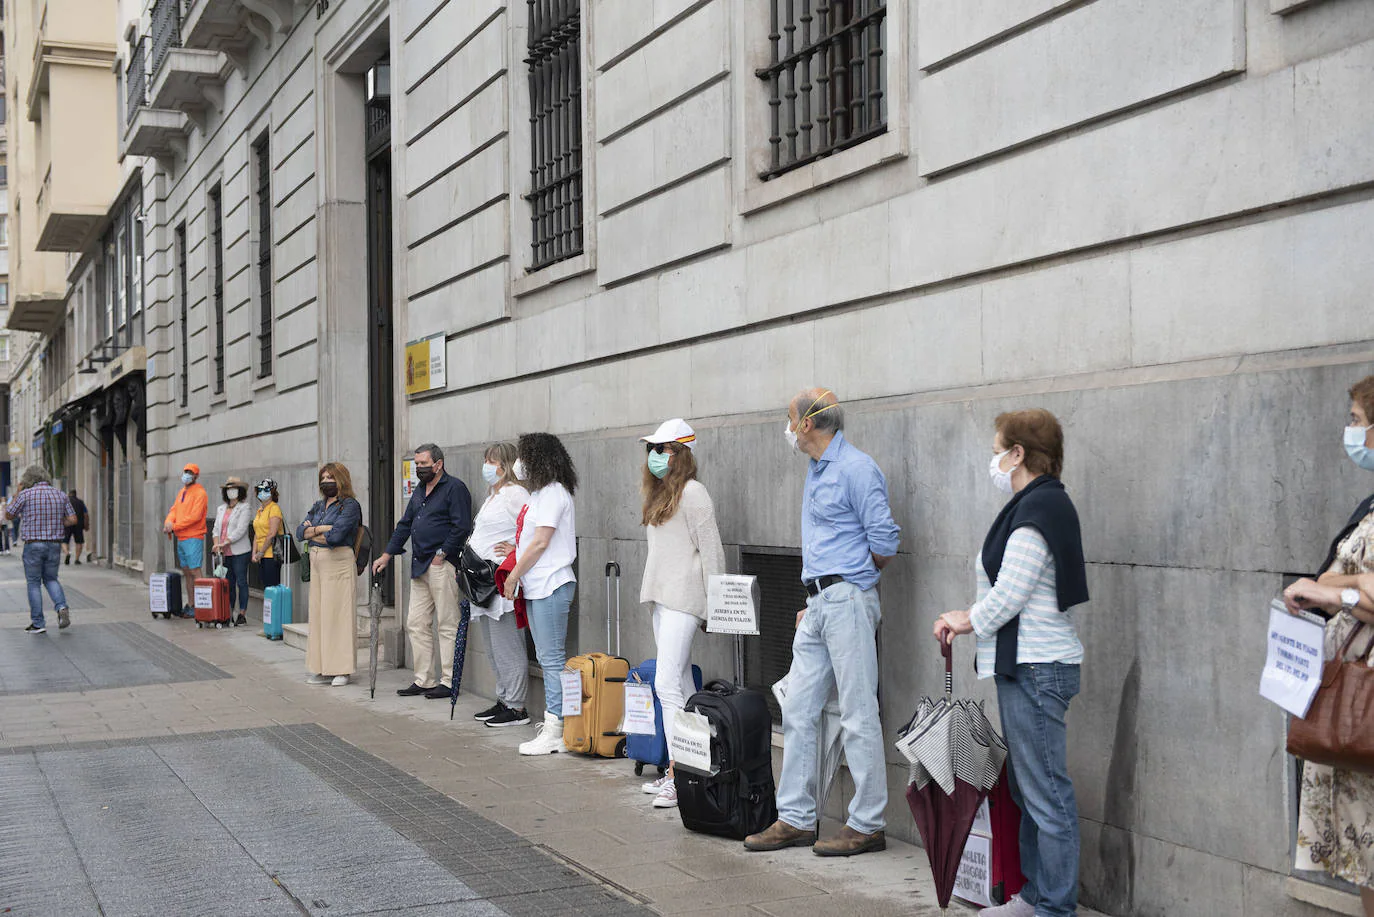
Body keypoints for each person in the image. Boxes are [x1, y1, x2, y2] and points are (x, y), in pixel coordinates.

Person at [933, 408, 1089, 917]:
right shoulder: (1037, 505)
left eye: (998, 447)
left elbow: (1010, 595)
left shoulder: (1039, 509)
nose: (994, 459)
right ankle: (1035, 897)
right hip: (1027, 665)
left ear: (1018, 453)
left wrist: (964, 619)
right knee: (1028, 788)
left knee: (1045, 793)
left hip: (1038, 667)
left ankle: (1054, 907)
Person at [745, 389, 900, 857]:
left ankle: (867, 823)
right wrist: (817, 595)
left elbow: (885, 543)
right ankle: (795, 817)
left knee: (856, 713)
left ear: (809, 423)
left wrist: (847, 585)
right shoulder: (816, 470)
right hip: (817, 604)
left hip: (846, 600)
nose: (787, 427)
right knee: (797, 709)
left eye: (790, 419)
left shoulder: (856, 468)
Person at [1288, 375, 1374, 915]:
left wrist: (1336, 593)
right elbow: (1348, 581)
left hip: (1368, 696)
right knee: (1368, 853)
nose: (1350, 430)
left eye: (1356, 420)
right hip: (1354, 680)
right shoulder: (1370, 503)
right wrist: (1347, 587)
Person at [636, 418, 726, 809]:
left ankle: (677, 773)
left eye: (661, 449)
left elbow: (713, 554)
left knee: (668, 685)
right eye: (651, 449)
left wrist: (716, 608)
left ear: (680, 453)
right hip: (663, 598)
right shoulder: (661, 494)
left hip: (685, 600)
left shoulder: (694, 493)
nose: (654, 456)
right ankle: (698, 769)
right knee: (685, 689)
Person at [372, 444, 473, 700]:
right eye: (416, 464)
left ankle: (449, 682)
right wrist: (387, 554)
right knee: (416, 623)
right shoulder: (419, 490)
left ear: (438, 464)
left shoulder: (454, 488)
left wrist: (442, 554)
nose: (419, 468)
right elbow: (405, 524)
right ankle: (424, 679)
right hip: (419, 565)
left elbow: (461, 526)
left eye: (423, 464)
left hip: (442, 565)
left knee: (447, 624)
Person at [500, 432, 578, 755]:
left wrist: (514, 574)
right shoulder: (539, 494)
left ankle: (556, 728)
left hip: (551, 584)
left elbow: (541, 542)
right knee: (548, 657)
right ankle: (554, 724)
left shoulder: (555, 494)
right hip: (538, 585)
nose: (519, 463)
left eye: (524, 456)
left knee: (551, 658)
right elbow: (529, 539)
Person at [469, 442, 532, 728]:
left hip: (501, 580)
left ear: (506, 465)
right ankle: (504, 698)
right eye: (486, 460)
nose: (487, 465)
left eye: (492, 461)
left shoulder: (516, 493)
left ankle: (517, 706)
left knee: (508, 645)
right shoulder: (493, 495)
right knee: (494, 647)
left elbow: (533, 528)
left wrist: (516, 548)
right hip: (482, 584)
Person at [297, 463, 362, 686]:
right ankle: (322, 667)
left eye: (331, 477)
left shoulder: (350, 506)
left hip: (339, 564)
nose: (326, 482)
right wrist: (322, 529)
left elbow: (337, 536)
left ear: (341, 480)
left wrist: (313, 530)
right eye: (323, 478)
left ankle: (342, 669)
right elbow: (299, 532)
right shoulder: (319, 505)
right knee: (319, 616)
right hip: (318, 564)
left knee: (339, 616)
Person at [6, 465, 77, 633]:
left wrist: (18, 491)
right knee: (51, 579)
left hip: (34, 544)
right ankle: (61, 607)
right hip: (54, 544)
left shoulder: (25, 495)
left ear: (29, 480)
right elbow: (73, 519)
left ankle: (38, 623)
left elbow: (9, 514)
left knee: (33, 583)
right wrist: (59, 523)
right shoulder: (60, 494)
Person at [164, 462, 208, 618]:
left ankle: (202, 606)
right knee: (187, 572)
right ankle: (191, 604)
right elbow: (174, 510)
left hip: (193, 536)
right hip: (181, 537)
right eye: (186, 472)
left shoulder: (200, 493)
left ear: (196, 475)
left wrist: (174, 526)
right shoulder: (182, 491)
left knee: (195, 571)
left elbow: (195, 517)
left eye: (190, 472)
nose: (187, 475)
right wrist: (168, 523)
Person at [212, 476, 254, 627]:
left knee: (241, 581)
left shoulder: (245, 507)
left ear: (240, 491)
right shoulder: (221, 508)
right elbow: (216, 528)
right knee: (228, 583)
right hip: (223, 553)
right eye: (228, 489)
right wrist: (217, 544)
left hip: (240, 552)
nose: (231, 492)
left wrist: (226, 542)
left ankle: (242, 613)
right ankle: (228, 612)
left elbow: (241, 529)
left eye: (234, 489)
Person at [252, 478, 286, 588]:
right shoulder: (260, 510)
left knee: (272, 586)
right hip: (261, 555)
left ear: (272, 492)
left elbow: (272, 533)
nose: (262, 492)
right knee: (265, 586)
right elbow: (257, 533)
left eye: (266, 489)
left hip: (271, 554)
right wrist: (254, 553)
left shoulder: (274, 508)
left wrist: (261, 552)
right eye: (260, 489)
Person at [62, 490, 88, 565]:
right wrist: (86, 525)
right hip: (78, 524)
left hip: (67, 523)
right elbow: (85, 514)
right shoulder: (80, 502)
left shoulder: (65, 502)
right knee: (79, 541)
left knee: (64, 541)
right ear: (75, 494)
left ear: (69, 494)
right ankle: (77, 559)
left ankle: (67, 553)